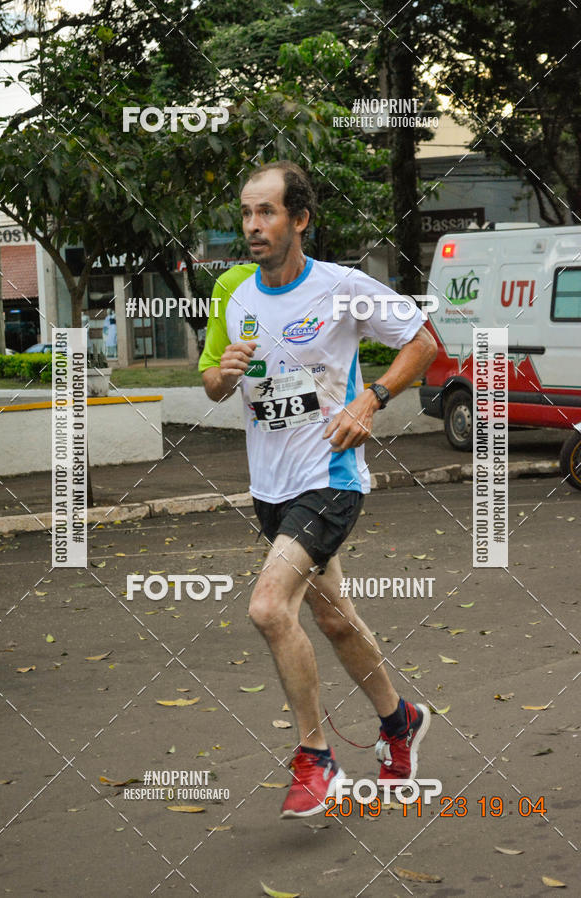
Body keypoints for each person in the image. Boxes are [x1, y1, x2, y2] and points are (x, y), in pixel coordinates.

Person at [199, 161, 438, 818]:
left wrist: (371, 399)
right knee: (332, 618)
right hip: (271, 489)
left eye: (267, 212)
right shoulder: (238, 296)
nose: (253, 226)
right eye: (247, 214)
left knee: (271, 608)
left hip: (330, 479)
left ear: (299, 219)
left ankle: (316, 758)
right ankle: (400, 722)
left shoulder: (342, 288)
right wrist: (222, 374)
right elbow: (218, 389)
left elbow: (422, 342)